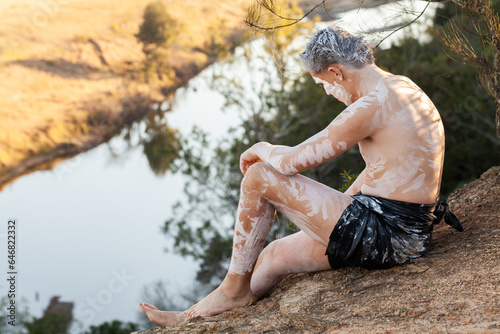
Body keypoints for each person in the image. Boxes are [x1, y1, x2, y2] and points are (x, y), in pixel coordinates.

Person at [139, 26, 462, 326]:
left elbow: (291, 163)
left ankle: (233, 291)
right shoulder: (401, 85)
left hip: (389, 236)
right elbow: (381, 167)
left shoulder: (372, 104)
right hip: (398, 229)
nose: (326, 92)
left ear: (336, 72)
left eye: (323, 83)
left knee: (260, 176)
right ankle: (194, 316)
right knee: (272, 256)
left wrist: (262, 146)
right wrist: (342, 208)